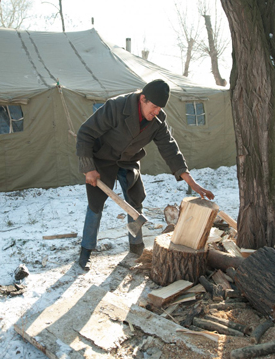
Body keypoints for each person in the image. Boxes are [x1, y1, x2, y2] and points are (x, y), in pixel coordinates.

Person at [75, 79, 215, 271]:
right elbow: (85, 133)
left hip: (128, 161)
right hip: (102, 160)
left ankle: (136, 246)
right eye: (154, 106)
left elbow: (169, 148)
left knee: (135, 202)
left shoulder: (158, 120)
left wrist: (190, 180)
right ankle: (86, 251)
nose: (157, 112)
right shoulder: (116, 107)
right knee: (95, 205)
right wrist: (88, 167)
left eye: (160, 108)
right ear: (143, 99)